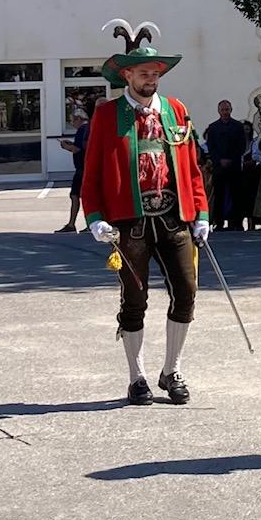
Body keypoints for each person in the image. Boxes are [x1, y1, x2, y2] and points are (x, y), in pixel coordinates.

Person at [81, 22, 209, 405]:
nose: (151, 79)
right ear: (127, 75)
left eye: (155, 73)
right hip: (129, 223)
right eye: (143, 73)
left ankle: (171, 371)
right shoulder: (108, 115)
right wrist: (95, 217)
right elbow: (92, 173)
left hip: (174, 218)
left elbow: (191, 167)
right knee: (134, 300)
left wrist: (201, 212)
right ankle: (136, 377)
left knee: (186, 292)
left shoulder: (176, 110)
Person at [205, 100, 247, 231]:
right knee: (219, 196)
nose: (225, 112)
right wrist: (219, 160)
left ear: (231, 110)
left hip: (234, 166)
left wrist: (231, 159)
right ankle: (219, 223)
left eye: (227, 109)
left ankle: (237, 222)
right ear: (219, 111)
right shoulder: (213, 128)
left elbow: (242, 146)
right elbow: (211, 147)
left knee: (237, 195)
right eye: (223, 110)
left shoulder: (238, 126)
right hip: (219, 167)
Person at [55, 109, 91, 232]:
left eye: (72, 121)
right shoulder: (89, 128)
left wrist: (66, 147)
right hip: (86, 167)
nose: (72, 124)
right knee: (81, 196)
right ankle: (82, 223)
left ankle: (73, 224)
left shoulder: (82, 129)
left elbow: (77, 149)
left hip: (81, 169)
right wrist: (72, 144)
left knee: (75, 195)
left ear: (78, 119)